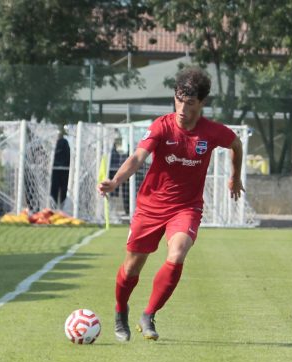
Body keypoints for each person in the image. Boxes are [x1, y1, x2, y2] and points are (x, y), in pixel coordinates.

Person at [97, 67, 245, 342]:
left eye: (189, 103)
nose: (181, 108)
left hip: (186, 207)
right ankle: (120, 309)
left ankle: (149, 314)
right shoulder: (161, 126)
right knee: (132, 267)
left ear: (201, 103)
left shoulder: (212, 132)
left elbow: (236, 145)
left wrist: (234, 177)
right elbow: (137, 158)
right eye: (178, 99)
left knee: (177, 254)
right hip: (150, 205)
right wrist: (115, 181)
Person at [50, 129, 71, 207]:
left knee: (54, 190)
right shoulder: (65, 144)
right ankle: (60, 206)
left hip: (56, 169)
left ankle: (55, 206)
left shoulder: (58, 144)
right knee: (62, 190)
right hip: (64, 169)